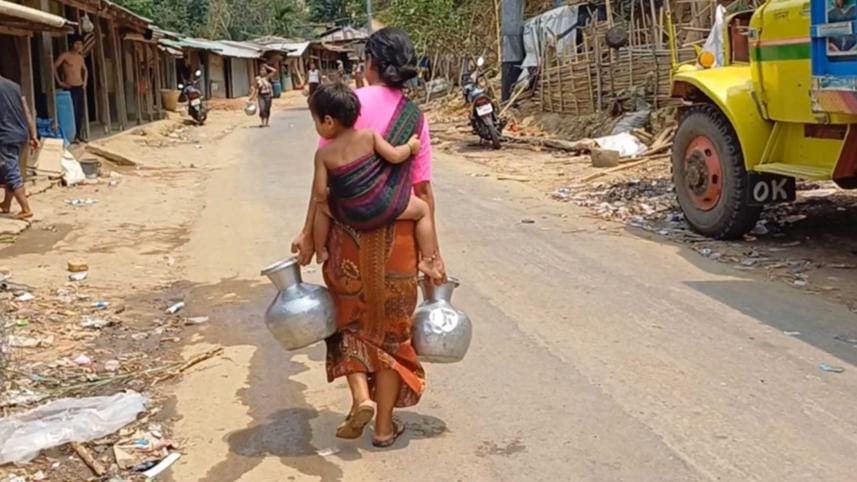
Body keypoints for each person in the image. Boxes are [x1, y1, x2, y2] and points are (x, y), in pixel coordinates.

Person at [290, 27, 446, 448]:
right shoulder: (415, 117)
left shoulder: (349, 106)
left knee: (350, 323)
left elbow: (321, 185)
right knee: (393, 333)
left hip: (346, 236)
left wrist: (308, 235)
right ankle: (382, 427)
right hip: (400, 237)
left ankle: (359, 396)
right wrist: (433, 255)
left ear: (371, 63)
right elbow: (422, 188)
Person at [308, 83, 442, 280]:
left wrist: (333, 198)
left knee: (320, 208)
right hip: (382, 207)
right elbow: (396, 156)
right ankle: (428, 261)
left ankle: (320, 251)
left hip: (348, 214)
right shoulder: (370, 136)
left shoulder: (323, 154)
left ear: (328, 121)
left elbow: (319, 193)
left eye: (315, 121)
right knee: (422, 210)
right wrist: (411, 147)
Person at [0, 74, 37, 220]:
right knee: (9, 168)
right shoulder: (14, 86)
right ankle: (6, 204)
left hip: (6, 135)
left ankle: (25, 209)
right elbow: (27, 111)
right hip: (21, 134)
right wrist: (33, 134)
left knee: (11, 171)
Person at [54, 37, 88, 143]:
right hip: (70, 86)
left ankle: (78, 135)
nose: (79, 46)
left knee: (80, 112)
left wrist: (85, 82)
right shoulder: (65, 56)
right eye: (77, 44)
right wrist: (59, 82)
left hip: (79, 86)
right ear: (72, 44)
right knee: (72, 111)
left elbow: (85, 70)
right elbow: (54, 66)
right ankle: (72, 136)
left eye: (80, 44)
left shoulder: (80, 57)